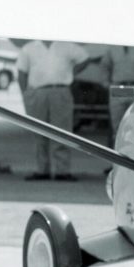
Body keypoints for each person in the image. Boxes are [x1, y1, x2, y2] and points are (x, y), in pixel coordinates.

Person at [16, 39, 90, 180]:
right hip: (38, 92)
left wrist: (71, 72)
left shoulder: (66, 45)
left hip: (60, 91)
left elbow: (85, 58)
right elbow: (21, 73)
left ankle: (62, 171)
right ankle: (41, 170)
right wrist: (25, 95)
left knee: (62, 131)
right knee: (38, 132)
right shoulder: (29, 48)